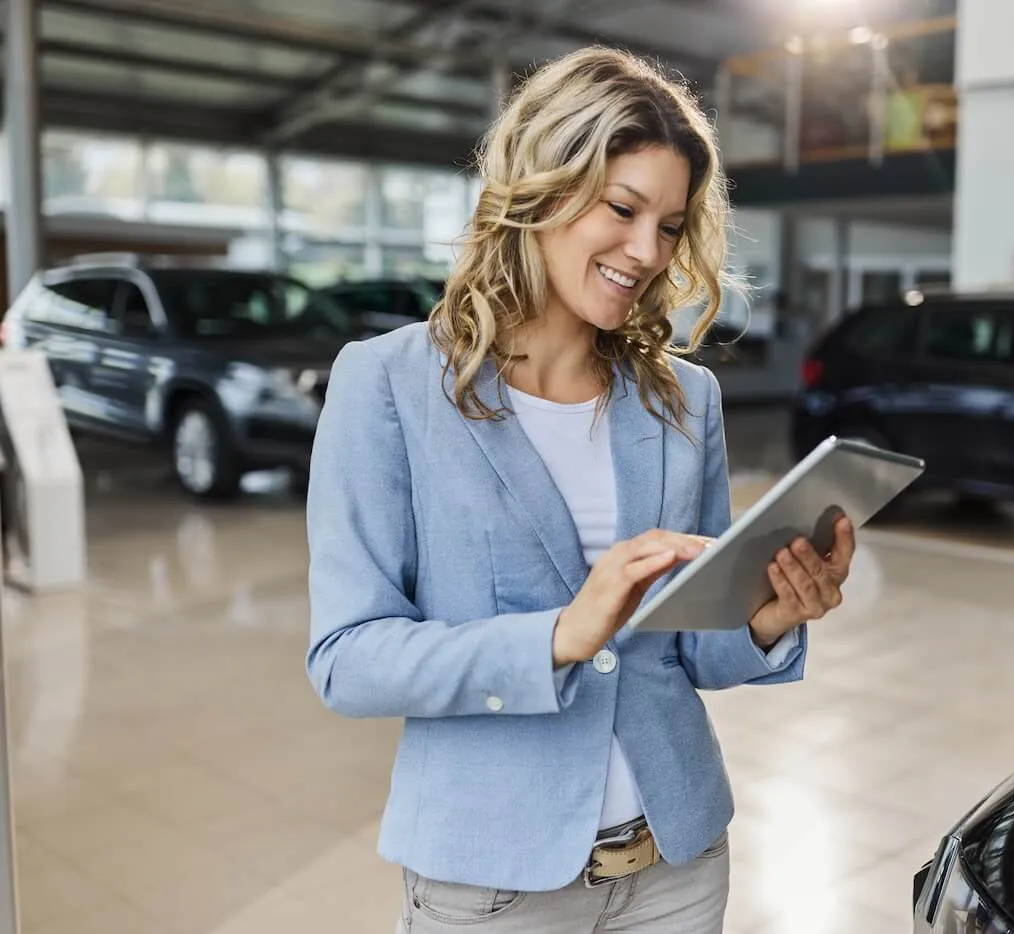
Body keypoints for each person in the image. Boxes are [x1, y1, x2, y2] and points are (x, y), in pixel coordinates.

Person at [304, 46, 856, 933]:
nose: (646, 252)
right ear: (543, 189)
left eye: (671, 225)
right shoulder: (389, 384)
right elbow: (348, 658)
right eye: (623, 208)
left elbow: (692, 645)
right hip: (492, 886)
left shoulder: (685, 400)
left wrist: (771, 612)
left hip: (676, 865)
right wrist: (559, 636)